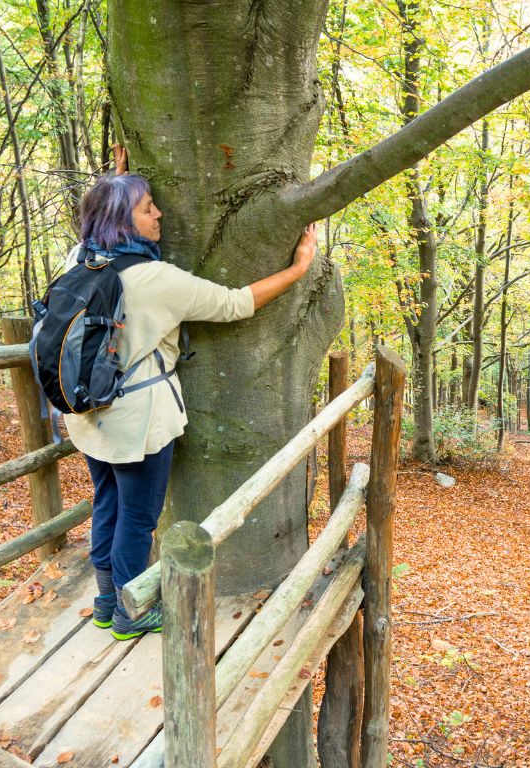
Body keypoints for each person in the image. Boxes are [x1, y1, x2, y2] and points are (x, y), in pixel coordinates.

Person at [65, 148, 317, 640]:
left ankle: (103, 601)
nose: (158, 213)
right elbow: (234, 303)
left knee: (107, 506)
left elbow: (100, 219)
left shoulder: (82, 260)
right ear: (122, 220)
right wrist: (297, 269)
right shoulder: (156, 279)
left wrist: (120, 183)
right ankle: (131, 613)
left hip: (86, 413)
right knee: (137, 522)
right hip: (138, 421)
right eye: (146, 208)